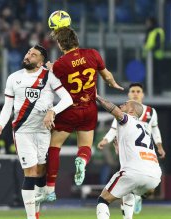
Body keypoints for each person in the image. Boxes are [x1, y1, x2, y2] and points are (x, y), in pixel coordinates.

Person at [0, 44, 73, 219]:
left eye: (33, 54)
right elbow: (7, 106)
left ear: (42, 61)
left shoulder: (49, 77)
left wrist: (53, 111)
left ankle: (35, 212)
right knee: (31, 171)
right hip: (23, 131)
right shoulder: (14, 78)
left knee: (41, 173)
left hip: (43, 131)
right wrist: (1, 123)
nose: (28, 56)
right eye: (28, 52)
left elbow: (67, 99)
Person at [41, 27, 123, 201]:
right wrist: (114, 84)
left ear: (61, 44)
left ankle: (50, 189)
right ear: (76, 39)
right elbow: (107, 76)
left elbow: (51, 76)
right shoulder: (92, 54)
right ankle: (82, 161)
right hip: (89, 109)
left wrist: (50, 66)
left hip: (70, 110)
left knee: (54, 146)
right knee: (85, 146)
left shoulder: (60, 64)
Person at [84, 95, 162, 219]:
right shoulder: (144, 128)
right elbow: (134, 149)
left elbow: (114, 110)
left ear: (131, 110)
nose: (122, 105)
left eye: (125, 104)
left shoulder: (128, 120)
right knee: (129, 191)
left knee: (103, 199)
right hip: (154, 176)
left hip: (134, 172)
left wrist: (96, 96)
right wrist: (119, 149)